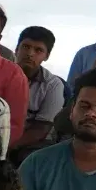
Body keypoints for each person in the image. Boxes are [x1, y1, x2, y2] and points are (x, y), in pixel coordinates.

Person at [11, 25, 64, 159]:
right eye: (26, 47)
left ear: (46, 56)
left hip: (31, 145)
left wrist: (7, 148)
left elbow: (41, 129)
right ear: (16, 49)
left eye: (38, 50)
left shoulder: (53, 85)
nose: (30, 54)